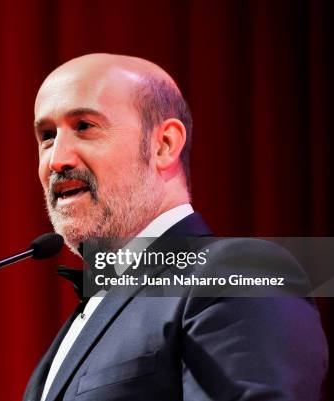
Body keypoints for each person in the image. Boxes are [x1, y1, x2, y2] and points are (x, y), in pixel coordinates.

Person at [24, 54, 328, 401]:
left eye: (84, 127)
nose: (57, 159)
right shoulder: (90, 311)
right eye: (47, 136)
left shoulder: (240, 270)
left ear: (164, 144)